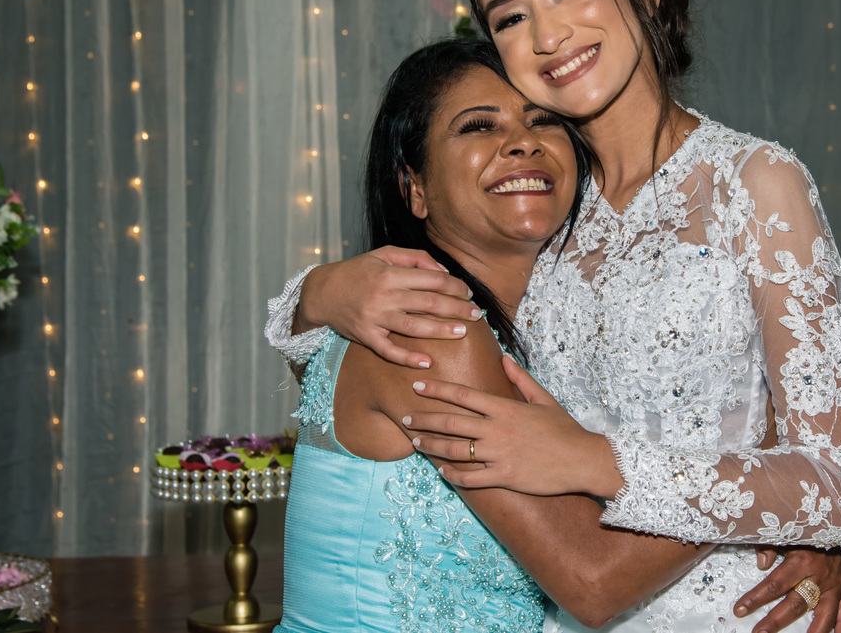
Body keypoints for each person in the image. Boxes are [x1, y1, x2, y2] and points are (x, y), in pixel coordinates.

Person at [268, 0, 841, 633]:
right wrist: (319, 292)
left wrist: (601, 460)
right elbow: (363, 380)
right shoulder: (545, 215)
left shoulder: (754, 182)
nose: (549, 34)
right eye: (511, 16)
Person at [278, 38, 732, 633]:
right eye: (478, 126)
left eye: (543, 121)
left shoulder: (548, 329)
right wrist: (770, 471)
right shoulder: (434, 327)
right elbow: (593, 582)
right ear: (414, 187)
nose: (523, 141)